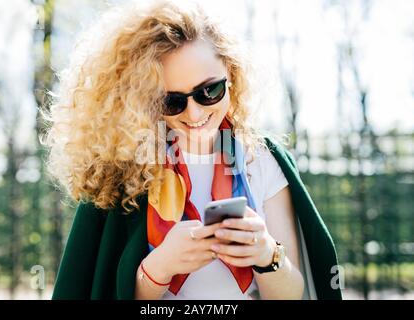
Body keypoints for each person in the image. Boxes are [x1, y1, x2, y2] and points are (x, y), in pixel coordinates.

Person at [44, 0, 342, 300]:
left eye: (209, 91)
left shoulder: (262, 159)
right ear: (144, 100)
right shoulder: (122, 167)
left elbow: (291, 295)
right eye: (171, 101)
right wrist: (159, 268)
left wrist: (266, 252)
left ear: (232, 74)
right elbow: (99, 288)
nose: (195, 114)